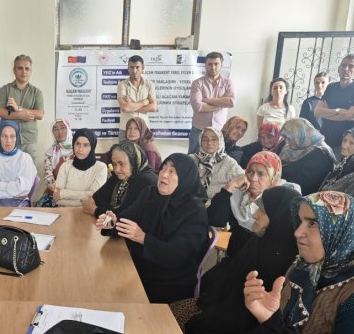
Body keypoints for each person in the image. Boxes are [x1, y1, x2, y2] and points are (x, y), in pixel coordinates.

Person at [238, 191, 354, 334]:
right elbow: (272, 324)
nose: (297, 232)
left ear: (341, 230)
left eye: (313, 223)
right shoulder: (305, 266)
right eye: (301, 221)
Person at [176, 186, 302, 334]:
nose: (255, 214)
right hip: (211, 311)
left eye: (263, 211)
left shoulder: (284, 265)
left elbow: (246, 320)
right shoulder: (259, 242)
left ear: (280, 218)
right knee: (164, 316)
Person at [94, 153, 210, 303]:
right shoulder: (150, 193)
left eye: (172, 171)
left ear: (186, 178)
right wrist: (113, 222)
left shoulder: (195, 210)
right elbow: (127, 219)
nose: (164, 174)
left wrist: (143, 238)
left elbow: (177, 255)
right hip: (138, 268)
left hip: (169, 283)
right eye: (163, 169)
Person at [207, 151, 300, 257]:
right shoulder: (239, 194)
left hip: (262, 261)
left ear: (273, 177)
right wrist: (229, 187)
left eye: (261, 174)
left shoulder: (281, 201)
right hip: (235, 256)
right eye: (250, 172)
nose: (253, 178)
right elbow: (214, 220)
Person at [0, 121, 37, 237]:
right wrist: (15, 189)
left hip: (19, 202)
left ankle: (14, 254)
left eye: (12, 136)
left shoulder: (25, 159)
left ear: (17, 137)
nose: (8, 141)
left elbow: (24, 189)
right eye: (4, 136)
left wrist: (0, 185)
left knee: (15, 231)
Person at [82, 142, 157, 217]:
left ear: (134, 162)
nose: (117, 170)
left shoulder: (146, 181)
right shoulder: (122, 175)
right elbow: (96, 198)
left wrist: (96, 210)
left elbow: (124, 217)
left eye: (121, 164)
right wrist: (107, 210)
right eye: (114, 164)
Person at [0, 55, 44, 163]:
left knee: (29, 174)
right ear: (14, 70)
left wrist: (19, 108)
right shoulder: (5, 90)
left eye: (27, 69)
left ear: (31, 71)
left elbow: (40, 114)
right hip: (9, 139)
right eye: (20, 68)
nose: (24, 72)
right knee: (8, 172)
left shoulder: (37, 92)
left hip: (29, 140)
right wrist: (20, 115)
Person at [314, 54, 354, 154]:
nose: (346, 69)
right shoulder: (331, 87)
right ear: (339, 69)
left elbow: (350, 115)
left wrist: (327, 113)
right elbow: (317, 112)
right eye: (343, 65)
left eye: (351, 66)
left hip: (345, 143)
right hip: (325, 139)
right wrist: (340, 111)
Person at [189, 52, 236, 153]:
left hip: (219, 130)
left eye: (216, 64)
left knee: (217, 160)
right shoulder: (197, 83)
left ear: (221, 65)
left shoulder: (228, 83)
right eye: (210, 64)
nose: (213, 67)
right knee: (192, 159)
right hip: (199, 129)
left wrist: (208, 100)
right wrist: (221, 104)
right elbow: (198, 107)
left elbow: (231, 102)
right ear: (205, 65)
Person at [51, 128, 107, 207]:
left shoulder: (100, 168)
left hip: (89, 215)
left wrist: (63, 193)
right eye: (77, 144)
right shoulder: (66, 166)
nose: (80, 149)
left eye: (86, 145)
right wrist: (85, 199)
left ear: (92, 147)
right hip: (65, 213)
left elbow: (94, 197)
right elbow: (57, 198)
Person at [280, 118, 336, 195]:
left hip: (299, 196)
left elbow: (306, 185)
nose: (286, 142)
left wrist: (278, 182)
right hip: (285, 188)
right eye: (285, 137)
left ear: (301, 135)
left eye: (289, 138)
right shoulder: (296, 147)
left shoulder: (320, 154)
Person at [191, 127, 244, 199]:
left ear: (220, 141)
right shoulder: (191, 159)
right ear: (200, 141)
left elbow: (243, 179)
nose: (209, 143)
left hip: (217, 203)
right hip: (193, 202)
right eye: (205, 139)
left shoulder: (229, 162)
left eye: (214, 139)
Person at [116, 55, 157, 141]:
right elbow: (125, 108)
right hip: (126, 129)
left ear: (143, 68)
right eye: (131, 67)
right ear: (128, 68)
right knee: (123, 154)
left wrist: (132, 105)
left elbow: (153, 107)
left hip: (144, 129)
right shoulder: (122, 85)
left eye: (137, 67)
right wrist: (144, 102)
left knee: (145, 154)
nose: (134, 71)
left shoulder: (149, 84)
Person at [36, 119, 74, 207]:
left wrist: (66, 193)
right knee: (40, 208)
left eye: (63, 128)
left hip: (74, 191)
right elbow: (48, 177)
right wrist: (57, 190)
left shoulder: (77, 150)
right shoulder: (50, 153)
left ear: (68, 129)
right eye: (55, 129)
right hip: (54, 191)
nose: (59, 132)